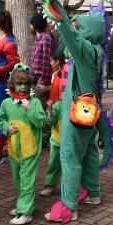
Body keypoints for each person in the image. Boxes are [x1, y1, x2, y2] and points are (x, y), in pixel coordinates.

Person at [34, 0, 113, 224]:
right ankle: (92, 192)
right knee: (89, 150)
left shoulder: (85, 49)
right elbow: (69, 26)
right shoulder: (93, 50)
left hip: (77, 114)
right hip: (89, 110)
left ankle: (68, 206)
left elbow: (66, 28)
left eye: (81, 25)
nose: (75, 28)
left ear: (88, 31)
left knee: (69, 155)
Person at [0, 64, 47, 225]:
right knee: (18, 180)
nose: (22, 87)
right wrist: (6, 127)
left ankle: (25, 211)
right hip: (14, 149)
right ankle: (24, 204)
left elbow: (41, 122)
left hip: (30, 149)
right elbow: (1, 120)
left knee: (27, 180)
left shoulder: (34, 102)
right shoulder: (6, 103)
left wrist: (29, 108)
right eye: (19, 84)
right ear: (12, 84)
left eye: (26, 84)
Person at [0, 11, 21, 167]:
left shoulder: (8, 42)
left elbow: (14, 64)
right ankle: (2, 148)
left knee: (0, 117)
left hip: (1, 84)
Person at [40, 50, 67, 197]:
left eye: (52, 61)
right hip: (56, 112)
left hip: (63, 111)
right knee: (55, 156)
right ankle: (50, 184)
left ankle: (68, 185)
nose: (50, 63)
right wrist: (46, 89)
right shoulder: (56, 74)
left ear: (58, 61)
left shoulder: (65, 73)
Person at [30, 13, 54, 105]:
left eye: (31, 24)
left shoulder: (46, 38)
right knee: (36, 102)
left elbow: (46, 61)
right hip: (35, 76)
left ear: (35, 26)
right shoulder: (38, 38)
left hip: (42, 77)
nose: (30, 26)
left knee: (41, 104)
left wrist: (43, 81)